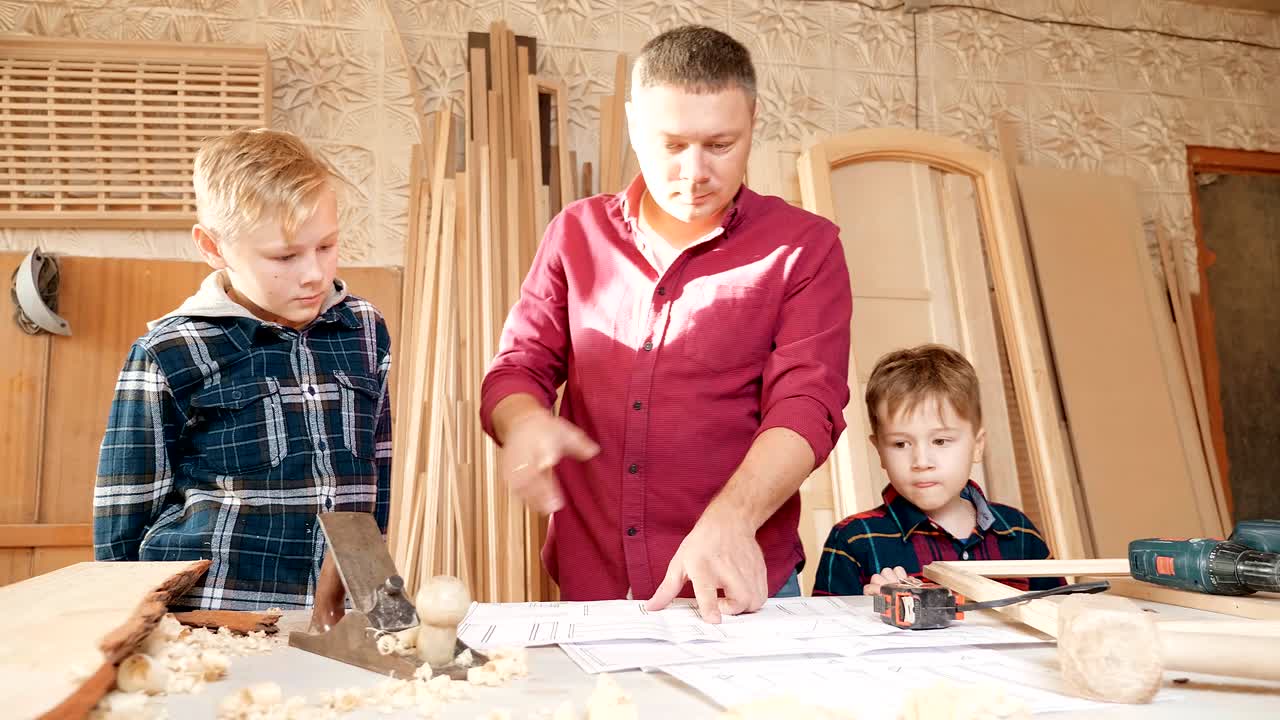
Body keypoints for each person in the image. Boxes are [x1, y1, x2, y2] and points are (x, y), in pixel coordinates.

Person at [479, 25, 852, 622]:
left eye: (720, 145)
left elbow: (808, 404)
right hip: (592, 585)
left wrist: (733, 518)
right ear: (632, 123)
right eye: (672, 145)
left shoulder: (804, 249)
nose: (694, 172)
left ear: (753, 119)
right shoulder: (576, 235)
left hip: (734, 588)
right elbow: (518, 368)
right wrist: (523, 421)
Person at [93, 128, 391, 627]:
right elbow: (123, 512)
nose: (314, 273)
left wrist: (375, 601)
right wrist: (126, 628)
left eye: (327, 246)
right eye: (285, 256)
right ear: (213, 247)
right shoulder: (169, 350)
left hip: (341, 617)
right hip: (215, 615)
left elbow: (379, 474)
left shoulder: (363, 328)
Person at [812, 344, 1064, 597]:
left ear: (977, 446)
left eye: (940, 441)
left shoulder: (1018, 531)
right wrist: (871, 613)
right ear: (879, 451)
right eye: (901, 444)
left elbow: (1065, 619)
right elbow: (825, 632)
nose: (921, 461)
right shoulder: (852, 540)